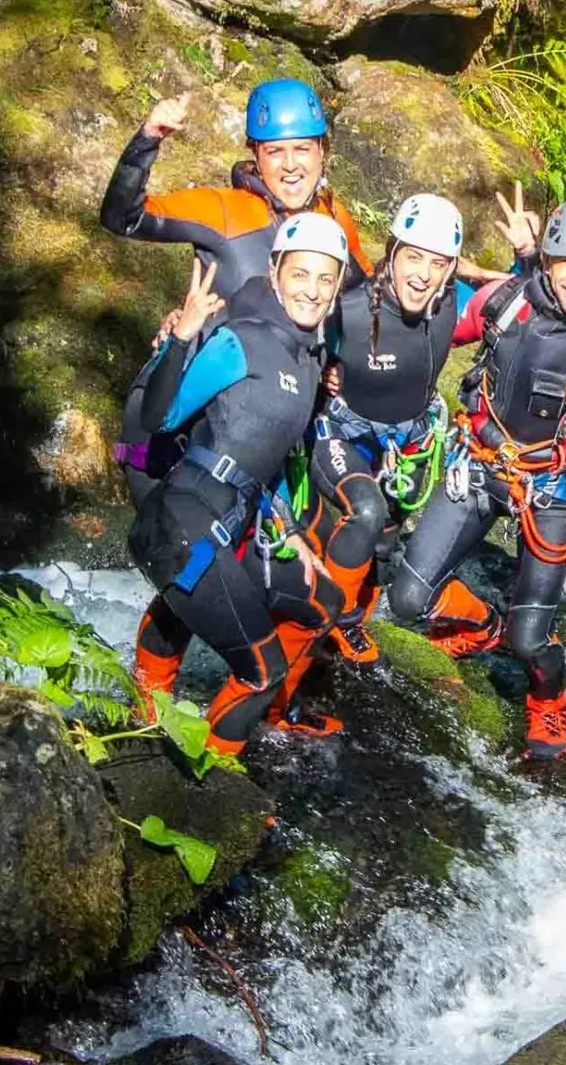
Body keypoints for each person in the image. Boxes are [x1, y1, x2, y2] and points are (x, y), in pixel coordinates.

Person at [104, 79, 372, 704]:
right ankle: (150, 697)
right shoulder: (225, 211)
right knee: (186, 560)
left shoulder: (336, 223)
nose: (291, 164)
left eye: (303, 148)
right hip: (175, 417)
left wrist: (330, 367)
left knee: (232, 562)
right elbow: (123, 217)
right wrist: (148, 140)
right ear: (254, 154)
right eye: (275, 151)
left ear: (324, 152)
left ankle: (265, 700)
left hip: (248, 420)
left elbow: (354, 292)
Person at [387, 197, 566, 761]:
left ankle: (548, 698)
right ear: (548, 260)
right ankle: (482, 626)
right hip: (480, 465)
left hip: (553, 487)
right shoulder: (504, 301)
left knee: (530, 638)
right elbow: (427, 329)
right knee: (408, 598)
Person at [126, 213, 351, 757]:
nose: (313, 291)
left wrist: (290, 528)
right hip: (180, 524)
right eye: (300, 275)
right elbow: (159, 417)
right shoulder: (238, 340)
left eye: (326, 279)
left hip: (230, 522)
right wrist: (180, 339)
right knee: (261, 668)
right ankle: (211, 773)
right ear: (274, 273)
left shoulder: (307, 357)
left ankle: (268, 717)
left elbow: (259, 459)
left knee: (324, 601)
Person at [303, 193, 474, 668]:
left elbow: (522, 307)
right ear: (392, 253)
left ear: (451, 268)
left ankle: (354, 617)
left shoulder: (452, 304)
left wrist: (524, 257)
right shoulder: (349, 308)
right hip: (343, 431)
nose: (422, 274)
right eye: (413, 257)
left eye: (437, 263)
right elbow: (288, 333)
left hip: (411, 441)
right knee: (366, 511)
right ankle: (325, 620)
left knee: (384, 540)